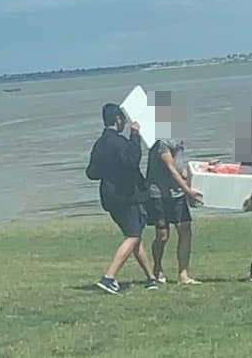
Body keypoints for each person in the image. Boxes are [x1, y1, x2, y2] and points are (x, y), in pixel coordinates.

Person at [86, 103, 157, 295]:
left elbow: (91, 173)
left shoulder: (100, 144)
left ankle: (151, 278)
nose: (124, 123)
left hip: (109, 197)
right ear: (118, 119)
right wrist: (135, 136)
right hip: (126, 196)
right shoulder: (120, 142)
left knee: (134, 236)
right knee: (133, 236)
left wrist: (109, 170)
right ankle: (109, 277)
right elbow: (132, 160)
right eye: (123, 120)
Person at [145, 138, 203, 285]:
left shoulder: (179, 141)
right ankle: (157, 268)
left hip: (177, 193)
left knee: (185, 229)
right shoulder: (161, 143)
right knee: (163, 236)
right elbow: (171, 169)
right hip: (159, 194)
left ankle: (183, 274)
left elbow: (180, 168)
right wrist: (188, 191)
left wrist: (197, 176)